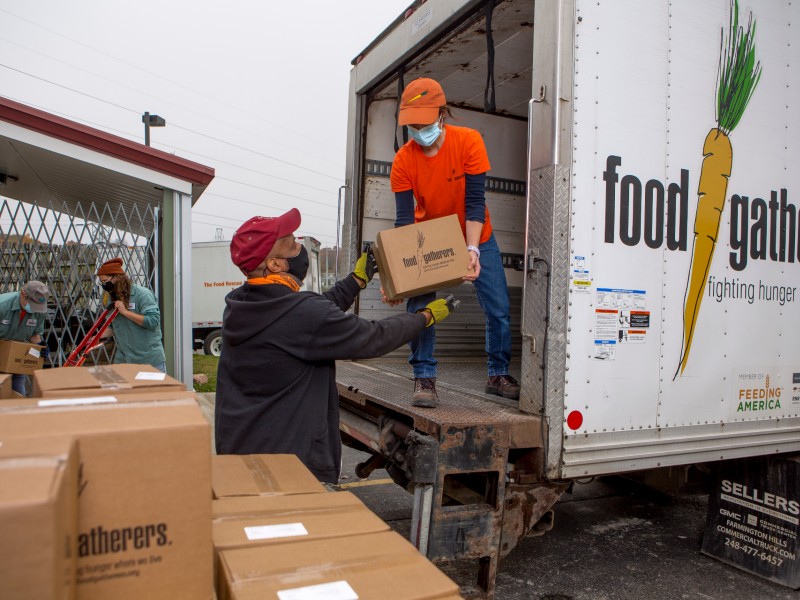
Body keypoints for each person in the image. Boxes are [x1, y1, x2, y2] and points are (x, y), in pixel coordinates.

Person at [215, 208, 453, 484]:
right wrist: (424, 317)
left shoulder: (241, 304)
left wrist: (356, 281)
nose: (300, 248)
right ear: (275, 264)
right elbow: (372, 337)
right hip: (289, 467)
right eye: (292, 245)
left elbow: (314, 315)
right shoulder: (299, 314)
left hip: (242, 451)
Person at [389, 76, 519, 407]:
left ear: (442, 114)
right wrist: (398, 277)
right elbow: (404, 223)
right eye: (413, 124)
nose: (419, 130)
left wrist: (472, 249)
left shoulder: (468, 142)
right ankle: (424, 376)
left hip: (477, 234)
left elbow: (474, 203)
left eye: (424, 122)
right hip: (428, 240)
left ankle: (498, 373)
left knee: (499, 309)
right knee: (420, 309)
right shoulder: (403, 160)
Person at [95, 258, 166, 372]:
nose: (104, 285)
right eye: (101, 283)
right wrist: (97, 337)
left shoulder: (142, 294)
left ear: (116, 277)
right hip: (124, 361)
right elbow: (114, 327)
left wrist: (125, 312)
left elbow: (153, 321)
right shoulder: (112, 298)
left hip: (148, 361)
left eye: (105, 281)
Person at [0, 280, 50, 396]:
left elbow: (35, 335)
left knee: (19, 396)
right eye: (32, 304)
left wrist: (40, 346)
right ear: (23, 293)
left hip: (15, 360)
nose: (34, 309)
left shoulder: (39, 310)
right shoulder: (2, 305)